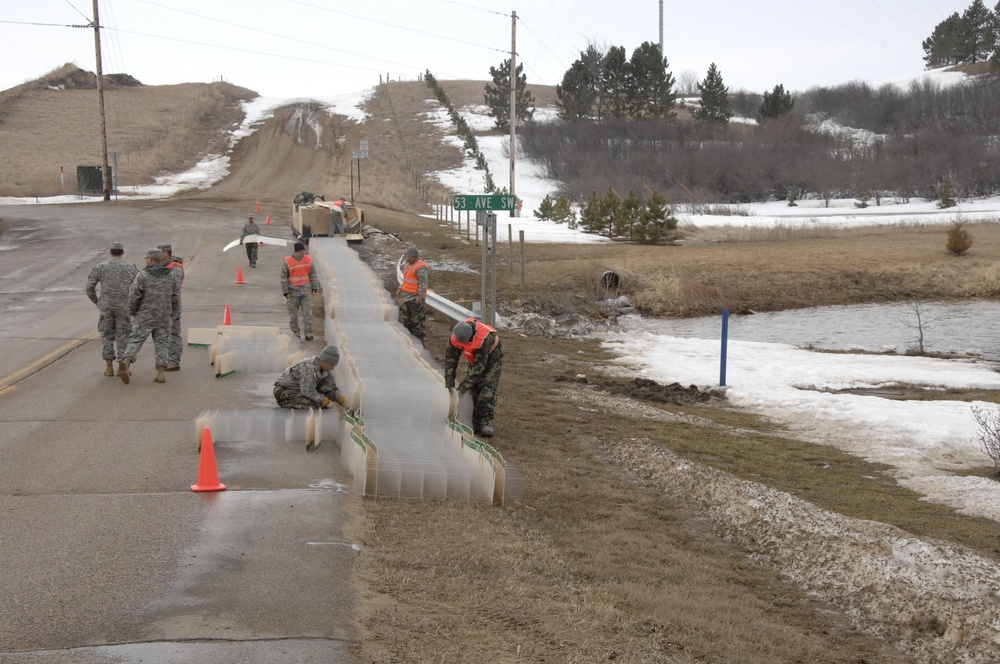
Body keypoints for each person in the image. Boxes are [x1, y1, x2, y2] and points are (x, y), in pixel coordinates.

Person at [118, 248, 181, 385]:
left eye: (147, 258)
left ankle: (127, 361)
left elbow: (133, 296)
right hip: (163, 316)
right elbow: (175, 297)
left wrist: (132, 312)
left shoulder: (143, 275)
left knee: (136, 341)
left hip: (145, 315)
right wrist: (175, 314)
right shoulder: (171, 276)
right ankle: (161, 373)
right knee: (162, 344)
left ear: (151, 259)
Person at [85, 242, 138, 376]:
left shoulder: (101, 267)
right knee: (123, 336)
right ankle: (122, 365)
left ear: (110, 252)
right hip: (123, 306)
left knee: (107, 336)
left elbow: (89, 287)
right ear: (122, 253)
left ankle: (109, 367)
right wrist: (133, 305)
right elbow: (138, 288)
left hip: (106, 307)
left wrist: (98, 302)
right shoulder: (130, 268)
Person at [444, 317, 503, 438]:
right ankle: (476, 423)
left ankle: (486, 423)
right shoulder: (456, 336)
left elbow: (479, 369)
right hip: (475, 358)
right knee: (474, 390)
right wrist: (449, 384)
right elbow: (450, 361)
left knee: (487, 389)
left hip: (492, 357)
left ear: (470, 336)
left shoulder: (483, 339)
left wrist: (461, 388)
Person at [273, 345, 347, 409]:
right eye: (332, 365)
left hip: (299, 388)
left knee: (326, 383)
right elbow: (307, 391)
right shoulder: (309, 368)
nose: (333, 368)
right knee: (316, 405)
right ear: (325, 361)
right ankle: (286, 402)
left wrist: (339, 398)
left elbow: (330, 385)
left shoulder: (323, 368)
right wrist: (322, 400)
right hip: (284, 391)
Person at [281, 241, 320, 341]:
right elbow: (283, 277)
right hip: (293, 293)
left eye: (303, 251)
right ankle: (296, 333)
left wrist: (315, 287)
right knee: (293, 314)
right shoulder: (288, 262)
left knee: (307, 312)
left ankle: (308, 332)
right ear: (296, 252)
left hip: (306, 291)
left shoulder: (308, 260)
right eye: (301, 251)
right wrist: (285, 291)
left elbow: (313, 274)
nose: (303, 253)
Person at [158, 243, 184, 371]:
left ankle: (174, 361)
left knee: (173, 333)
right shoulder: (163, 266)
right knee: (163, 334)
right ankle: (166, 359)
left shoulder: (175, 268)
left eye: (159, 253)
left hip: (172, 306)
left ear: (165, 253)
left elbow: (174, 288)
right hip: (163, 306)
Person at [396, 245, 428, 345]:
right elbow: (406, 279)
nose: (406, 256)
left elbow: (423, 283)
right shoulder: (408, 265)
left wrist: (420, 297)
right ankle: (407, 344)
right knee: (405, 323)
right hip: (407, 298)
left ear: (413, 256)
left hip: (415, 299)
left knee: (417, 325)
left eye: (407, 255)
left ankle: (419, 346)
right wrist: (401, 288)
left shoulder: (420, 267)